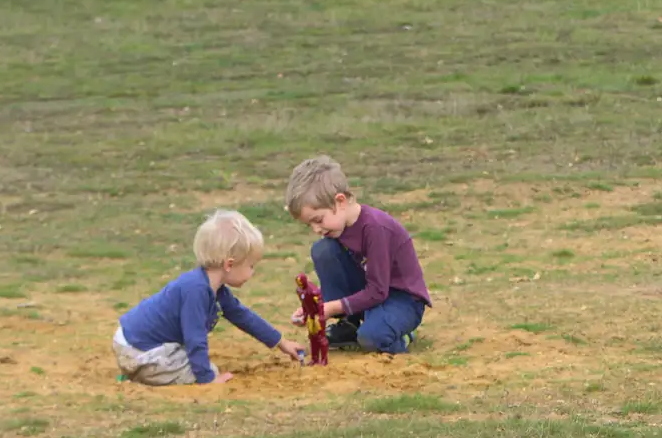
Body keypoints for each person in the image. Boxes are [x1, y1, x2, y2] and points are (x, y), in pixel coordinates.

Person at [113, 209, 303, 385]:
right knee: (204, 369)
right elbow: (195, 338)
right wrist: (207, 379)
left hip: (139, 343)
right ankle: (139, 371)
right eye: (251, 265)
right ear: (229, 264)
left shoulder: (214, 288)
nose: (252, 272)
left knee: (195, 361)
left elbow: (242, 316)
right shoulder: (196, 290)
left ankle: (143, 371)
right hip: (138, 349)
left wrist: (281, 342)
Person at [285, 155, 431, 354]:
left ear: (340, 201)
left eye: (318, 220)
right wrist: (315, 307)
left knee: (371, 338)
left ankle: (399, 335)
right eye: (309, 224)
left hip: (402, 300)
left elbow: (378, 291)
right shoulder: (338, 229)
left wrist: (329, 309)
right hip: (372, 294)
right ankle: (350, 325)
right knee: (323, 250)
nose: (316, 229)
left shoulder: (375, 229)